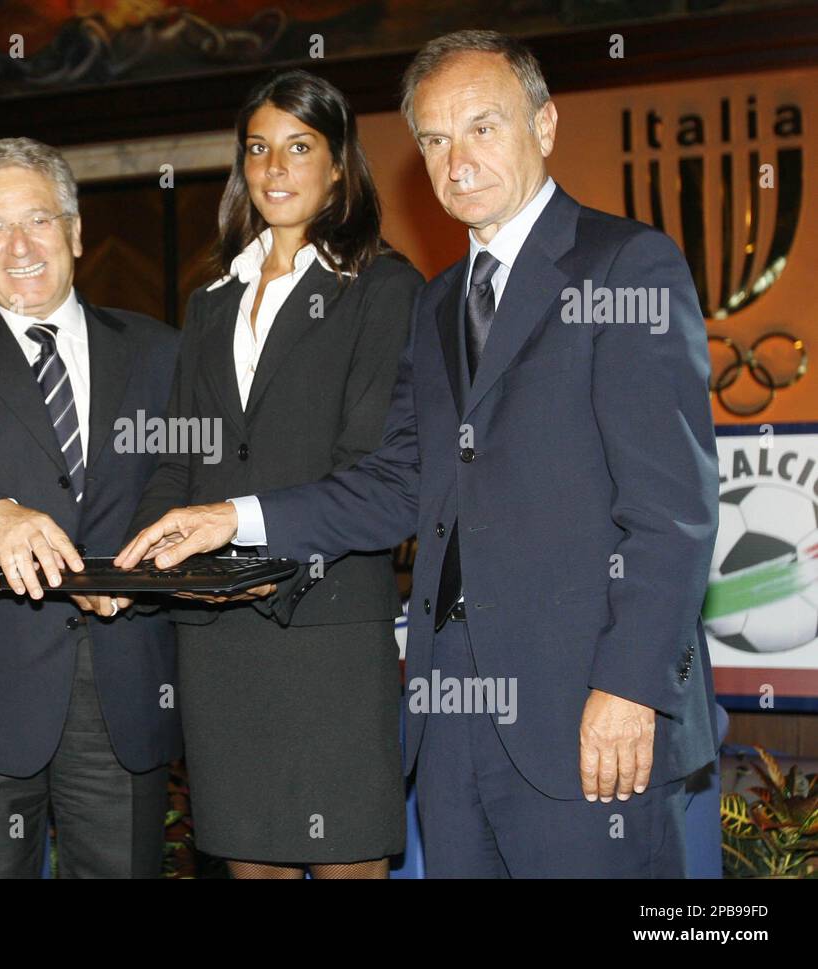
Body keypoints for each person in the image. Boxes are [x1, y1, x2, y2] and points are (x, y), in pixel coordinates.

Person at [119, 30, 719, 878]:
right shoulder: (441, 304)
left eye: (482, 127)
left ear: (544, 126)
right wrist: (233, 517)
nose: (456, 159)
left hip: (585, 713)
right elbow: (402, 484)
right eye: (434, 140)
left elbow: (674, 511)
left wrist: (629, 687)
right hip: (450, 726)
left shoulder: (626, 265)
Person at [116, 70, 421, 879]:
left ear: (338, 165)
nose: (276, 168)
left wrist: (233, 521)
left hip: (327, 633)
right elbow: (179, 457)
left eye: (300, 147)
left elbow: (382, 486)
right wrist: (138, 557)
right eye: (259, 149)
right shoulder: (210, 301)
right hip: (219, 643)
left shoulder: (384, 290)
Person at [0, 137, 181, 878]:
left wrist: (142, 563)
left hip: (125, 689)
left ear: (76, 232)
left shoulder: (161, 352)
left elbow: (182, 478)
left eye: (38, 220)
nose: (19, 246)